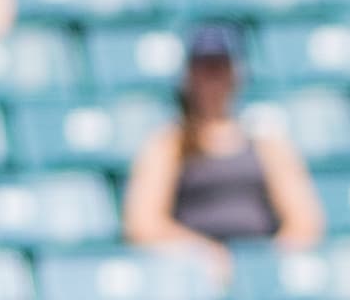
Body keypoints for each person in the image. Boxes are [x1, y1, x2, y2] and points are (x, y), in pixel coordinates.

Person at [120, 23, 325, 271]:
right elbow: (143, 222)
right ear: (189, 76)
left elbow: (305, 221)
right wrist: (202, 253)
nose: (213, 80)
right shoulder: (168, 144)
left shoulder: (265, 142)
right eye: (205, 69)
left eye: (220, 68)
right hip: (190, 271)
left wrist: (266, 263)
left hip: (259, 265)